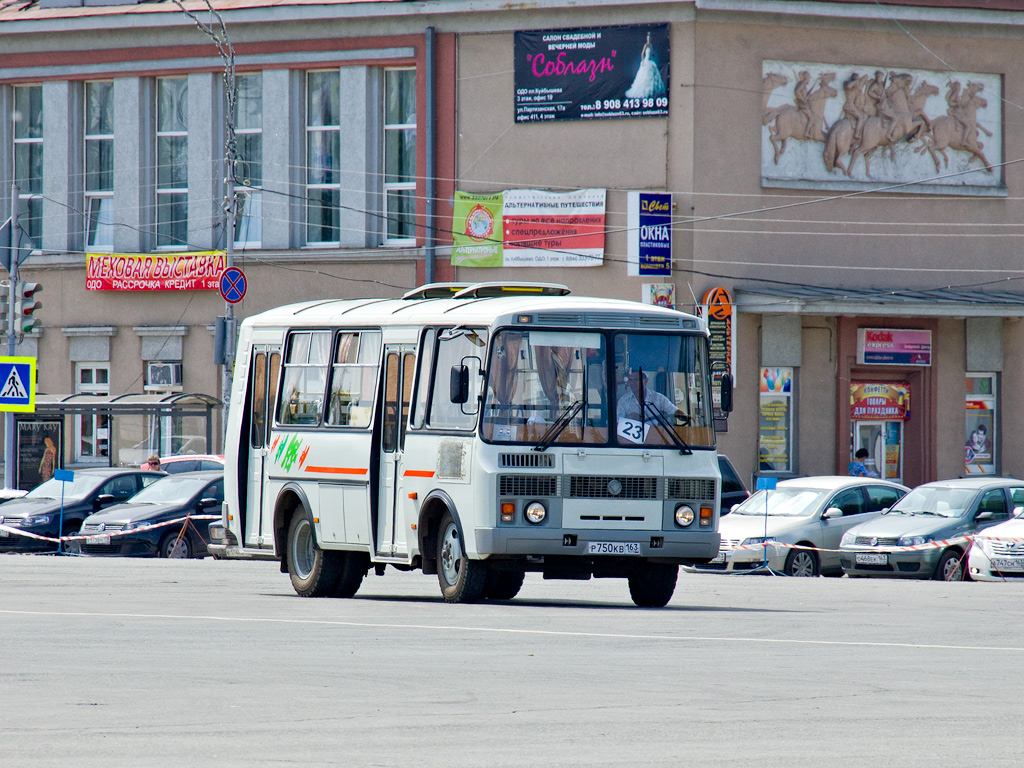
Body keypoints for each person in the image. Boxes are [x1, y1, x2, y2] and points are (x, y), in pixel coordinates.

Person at [617, 369, 689, 424]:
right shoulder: (623, 401)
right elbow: (616, 423)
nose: (633, 383)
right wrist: (629, 418)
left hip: (654, 436)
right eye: (630, 380)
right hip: (631, 440)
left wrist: (685, 416)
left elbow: (673, 410)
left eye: (636, 379)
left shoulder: (658, 398)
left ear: (646, 380)